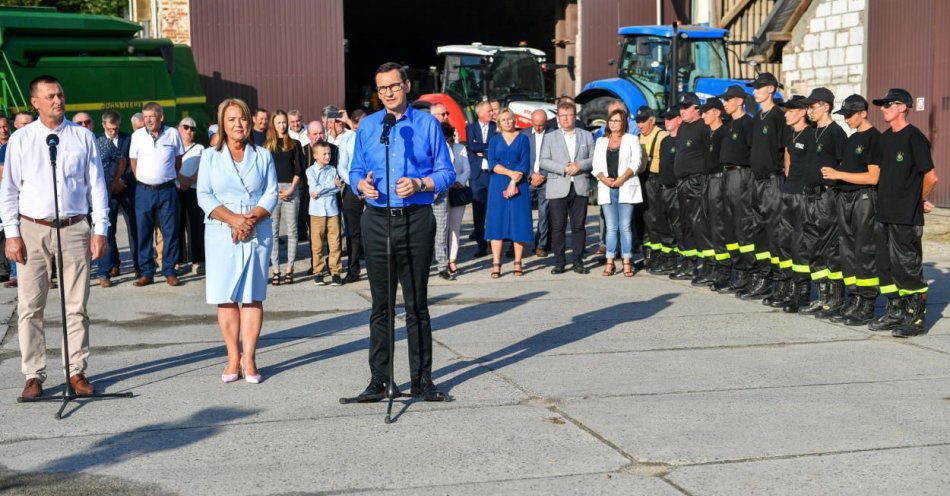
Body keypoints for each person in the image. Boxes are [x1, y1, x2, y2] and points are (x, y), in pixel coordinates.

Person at [349, 62, 455, 400]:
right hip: (377, 220)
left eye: (393, 86)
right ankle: (380, 380)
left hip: (415, 218)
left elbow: (446, 172)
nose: (388, 93)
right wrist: (359, 185)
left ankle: (422, 380)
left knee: (416, 305)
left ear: (406, 86)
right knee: (380, 306)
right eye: (382, 89)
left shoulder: (425, 124)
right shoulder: (368, 127)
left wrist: (422, 182)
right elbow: (355, 169)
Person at [1, 75, 110, 399]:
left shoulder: (81, 138)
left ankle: (75, 371)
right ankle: (34, 375)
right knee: (30, 306)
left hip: (75, 228)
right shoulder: (22, 140)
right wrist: (12, 234)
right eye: (49, 96)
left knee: (76, 306)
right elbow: (9, 191)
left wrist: (101, 229)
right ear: (35, 102)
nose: (57, 101)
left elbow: (98, 186)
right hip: (33, 228)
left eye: (60, 95)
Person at [197, 97, 277, 384]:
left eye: (242, 118)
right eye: (231, 119)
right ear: (222, 124)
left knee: (253, 295)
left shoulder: (263, 155)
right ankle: (232, 356)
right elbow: (204, 195)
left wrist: (249, 220)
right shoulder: (209, 156)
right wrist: (233, 219)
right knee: (226, 296)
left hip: (257, 228)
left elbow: (270, 193)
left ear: (250, 121)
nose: (238, 124)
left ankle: (250, 357)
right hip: (222, 230)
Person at [867, 88, 938, 337]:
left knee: (907, 267)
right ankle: (895, 311)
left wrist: (917, 200)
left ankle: (915, 318)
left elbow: (931, 177)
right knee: (885, 267)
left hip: (905, 216)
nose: (883, 108)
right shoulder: (885, 139)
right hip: (883, 213)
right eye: (882, 105)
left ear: (902, 107)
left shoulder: (914, 138)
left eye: (888, 104)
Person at [819, 94, 881, 326]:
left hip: (864, 199)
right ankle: (854, 299)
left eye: (849, 115)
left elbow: (873, 177)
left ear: (863, 113)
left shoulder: (874, 139)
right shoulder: (852, 139)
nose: (846, 119)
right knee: (847, 251)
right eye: (844, 115)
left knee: (864, 251)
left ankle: (866, 303)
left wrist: (838, 175)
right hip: (845, 198)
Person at [794, 87, 848, 318]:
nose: (809, 111)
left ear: (825, 106)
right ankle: (822, 296)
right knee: (812, 247)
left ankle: (835, 299)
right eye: (807, 107)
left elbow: (845, 166)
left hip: (827, 197)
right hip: (809, 195)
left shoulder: (836, 133)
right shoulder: (810, 133)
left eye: (812, 106)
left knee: (829, 248)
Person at [739, 73, 787, 300]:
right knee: (758, 230)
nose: (754, 91)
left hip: (773, 180)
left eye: (758, 87)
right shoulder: (758, 116)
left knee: (774, 231)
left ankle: (779, 280)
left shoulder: (778, 115)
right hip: (756, 181)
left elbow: (785, 149)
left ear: (770, 89)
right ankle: (763, 276)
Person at [129, 102, 184, 286]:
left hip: (167, 190)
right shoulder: (137, 136)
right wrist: (144, 179)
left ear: (161, 117)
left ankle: (169, 270)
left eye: (151, 116)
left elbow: (178, 160)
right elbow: (133, 161)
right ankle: (147, 272)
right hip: (144, 191)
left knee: (170, 231)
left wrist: (165, 177)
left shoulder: (172, 134)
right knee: (143, 232)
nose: (148, 120)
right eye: (145, 117)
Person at [771, 95, 815, 313]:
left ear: (802, 112)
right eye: (785, 110)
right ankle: (788, 286)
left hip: (802, 196)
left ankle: (802, 292)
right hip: (788, 192)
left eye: (790, 111)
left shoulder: (811, 135)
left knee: (799, 245)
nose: (785, 114)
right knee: (784, 242)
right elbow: (788, 156)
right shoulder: (791, 134)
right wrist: (789, 176)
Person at [540, 101, 594, 274]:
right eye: (562, 116)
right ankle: (559, 262)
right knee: (558, 227)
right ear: (558, 118)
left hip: (580, 185)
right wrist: (563, 168)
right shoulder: (550, 136)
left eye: (569, 115)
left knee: (578, 227)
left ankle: (578, 262)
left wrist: (580, 165)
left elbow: (594, 158)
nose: (566, 119)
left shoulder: (586, 135)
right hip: (558, 186)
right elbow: (543, 160)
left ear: (574, 116)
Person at [593, 108, 642, 277]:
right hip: (607, 187)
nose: (613, 124)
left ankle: (627, 260)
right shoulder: (601, 141)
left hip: (626, 186)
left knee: (625, 226)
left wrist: (622, 178)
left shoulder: (632, 139)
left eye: (617, 121)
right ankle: (610, 261)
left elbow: (636, 163)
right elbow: (596, 166)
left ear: (623, 123)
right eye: (611, 121)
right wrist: (604, 179)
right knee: (611, 227)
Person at [716, 85, 755, 293]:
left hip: (741, 176)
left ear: (739, 101)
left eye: (728, 100)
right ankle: (736, 269)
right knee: (729, 225)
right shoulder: (729, 125)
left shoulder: (748, 124)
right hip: (727, 176)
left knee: (743, 225)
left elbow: (753, 154)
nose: (725, 103)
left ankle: (747, 272)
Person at [485, 108, 532, 278]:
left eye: (510, 119)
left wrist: (514, 181)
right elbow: (492, 163)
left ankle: (518, 262)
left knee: (518, 222)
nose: (508, 122)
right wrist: (510, 174)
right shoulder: (495, 140)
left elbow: (525, 163)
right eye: (504, 119)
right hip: (498, 184)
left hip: (519, 184)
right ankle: (496, 263)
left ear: (514, 120)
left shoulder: (523, 139)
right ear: (499, 123)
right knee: (496, 222)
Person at [670, 92, 710, 282]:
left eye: (686, 107)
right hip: (682, 183)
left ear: (697, 108)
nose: (682, 111)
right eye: (681, 107)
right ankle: (689, 263)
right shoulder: (684, 127)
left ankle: (707, 266)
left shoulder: (704, 127)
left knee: (699, 225)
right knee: (684, 224)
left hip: (697, 182)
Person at [266, 110, 304, 285]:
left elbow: (299, 169)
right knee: (272, 232)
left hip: (291, 188)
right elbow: (265, 171)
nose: (282, 125)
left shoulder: (294, 144)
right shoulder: (267, 145)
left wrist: (291, 189)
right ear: (273, 124)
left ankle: (289, 268)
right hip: (273, 190)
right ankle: (276, 269)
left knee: (292, 230)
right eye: (279, 122)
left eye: (284, 122)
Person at [698, 97, 731, 288]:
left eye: (706, 112)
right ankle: (712, 266)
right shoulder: (709, 133)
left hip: (719, 180)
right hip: (708, 181)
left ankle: (724, 271)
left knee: (719, 226)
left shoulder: (723, 133)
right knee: (708, 224)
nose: (703, 115)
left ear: (717, 113)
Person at [94, 111, 128, 287]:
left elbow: (121, 161)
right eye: (80, 123)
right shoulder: (73, 145)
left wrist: (115, 180)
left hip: (103, 195)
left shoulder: (104, 144)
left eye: (87, 122)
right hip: (81, 199)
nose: (113, 132)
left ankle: (104, 273)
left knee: (104, 233)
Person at [648, 108, 683, 275]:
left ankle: (682, 261)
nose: (667, 122)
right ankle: (668, 259)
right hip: (663, 188)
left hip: (677, 190)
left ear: (679, 120)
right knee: (662, 225)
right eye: (666, 119)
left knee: (678, 227)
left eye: (670, 118)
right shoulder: (666, 141)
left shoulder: (682, 140)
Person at [636, 106, 669, 270]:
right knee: (642, 220)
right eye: (638, 122)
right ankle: (647, 253)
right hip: (639, 180)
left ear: (652, 120)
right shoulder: (637, 137)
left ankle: (659, 255)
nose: (640, 125)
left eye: (643, 122)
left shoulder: (662, 136)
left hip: (654, 180)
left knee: (654, 219)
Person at [306, 141, 343, 286]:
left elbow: (336, 190)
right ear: (315, 156)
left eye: (329, 153)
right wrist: (331, 185)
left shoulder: (333, 169)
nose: (328, 156)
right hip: (316, 212)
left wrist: (325, 189)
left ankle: (335, 271)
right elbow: (313, 190)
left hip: (332, 210)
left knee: (335, 242)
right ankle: (318, 272)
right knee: (317, 243)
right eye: (324, 154)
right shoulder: (310, 171)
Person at [465, 101, 496, 257]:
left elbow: (495, 147)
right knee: (478, 211)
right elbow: (472, 146)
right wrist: (486, 149)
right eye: (489, 111)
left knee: (493, 210)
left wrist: (482, 149)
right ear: (480, 113)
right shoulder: (470, 128)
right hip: (477, 175)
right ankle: (481, 245)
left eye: (492, 110)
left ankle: (493, 242)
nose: (492, 113)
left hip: (492, 174)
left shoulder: (495, 127)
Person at [177, 117, 205, 275]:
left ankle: (197, 260)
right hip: (176, 189)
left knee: (195, 225)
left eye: (192, 129)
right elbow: (170, 167)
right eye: (186, 127)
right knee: (177, 225)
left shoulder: (200, 148)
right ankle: (179, 260)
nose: (189, 131)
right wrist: (180, 181)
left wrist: (189, 182)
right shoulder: (173, 147)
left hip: (193, 190)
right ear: (179, 129)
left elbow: (203, 169)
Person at [444, 121, 470, 277]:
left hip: (458, 191)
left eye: (448, 137)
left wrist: (459, 181)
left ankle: (452, 259)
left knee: (455, 227)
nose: (447, 141)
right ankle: (442, 258)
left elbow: (467, 169)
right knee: (443, 228)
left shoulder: (461, 148)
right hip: (443, 191)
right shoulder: (438, 150)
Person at [523, 109, 550, 257]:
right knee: (522, 212)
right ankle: (519, 243)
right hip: (528, 179)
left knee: (544, 214)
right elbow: (521, 158)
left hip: (546, 181)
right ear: (531, 122)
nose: (538, 128)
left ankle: (541, 245)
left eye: (541, 125)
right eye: (536, 124)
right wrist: (531, 174)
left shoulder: (553, 134)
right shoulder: (524, 135)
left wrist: (542, 176)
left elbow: (556, 158)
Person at [0, 116, 11, 283]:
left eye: (5, 126)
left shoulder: (15, 144)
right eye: (0, 127)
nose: (3, 129)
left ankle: (7, 268)